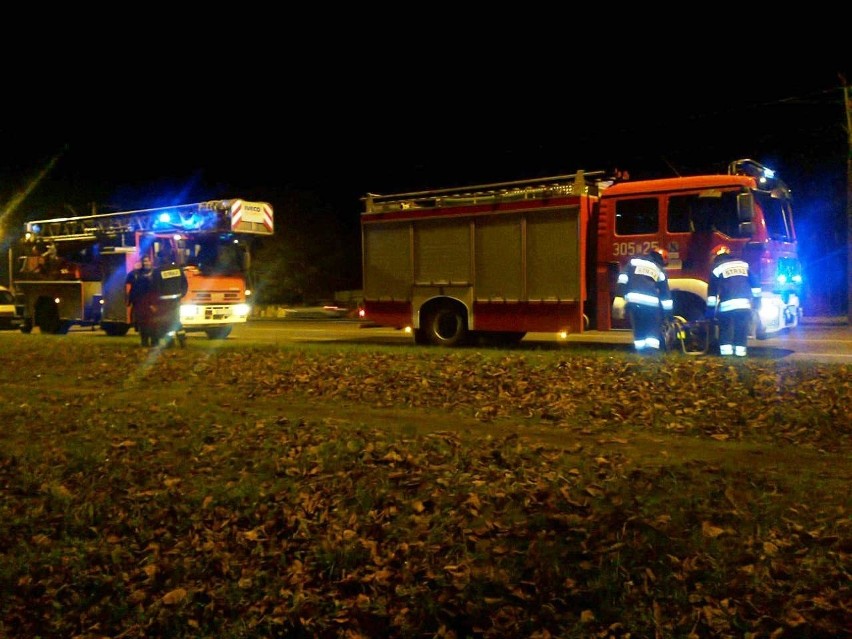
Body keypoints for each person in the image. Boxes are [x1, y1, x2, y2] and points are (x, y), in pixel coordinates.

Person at [613, 247, 674, 353]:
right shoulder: (659, 269)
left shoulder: (633, 262)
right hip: (651, 306)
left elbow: (622, 278)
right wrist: (668, 315)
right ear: (662, 260)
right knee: (652, 332)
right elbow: (665, 296)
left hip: (633, 303)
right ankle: (652, 355)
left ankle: (640, 354)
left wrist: (619, 295)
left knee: (639, 330)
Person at [706, 245, 761, 357]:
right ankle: (740, 356)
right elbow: (756, 285)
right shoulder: (743, 265)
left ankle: (726, 357)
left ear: (716, 256)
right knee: (741, 330)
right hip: (744, 305)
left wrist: (710, 314)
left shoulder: (717, 268)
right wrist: (757, 302)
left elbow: (712, 294)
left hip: (727, 306)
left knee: (725, 330)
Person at [125, 256, 157, 347]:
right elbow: (131, 286)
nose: (145, 263)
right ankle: (145, 342)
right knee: (143, 324)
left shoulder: (155, 273)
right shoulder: (136, 274)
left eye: (147, 261)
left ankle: (154, 341)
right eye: (144, 261)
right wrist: (130, 300)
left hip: (152, 303)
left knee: (153, 323)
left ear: (151, 262)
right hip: (140, 303)